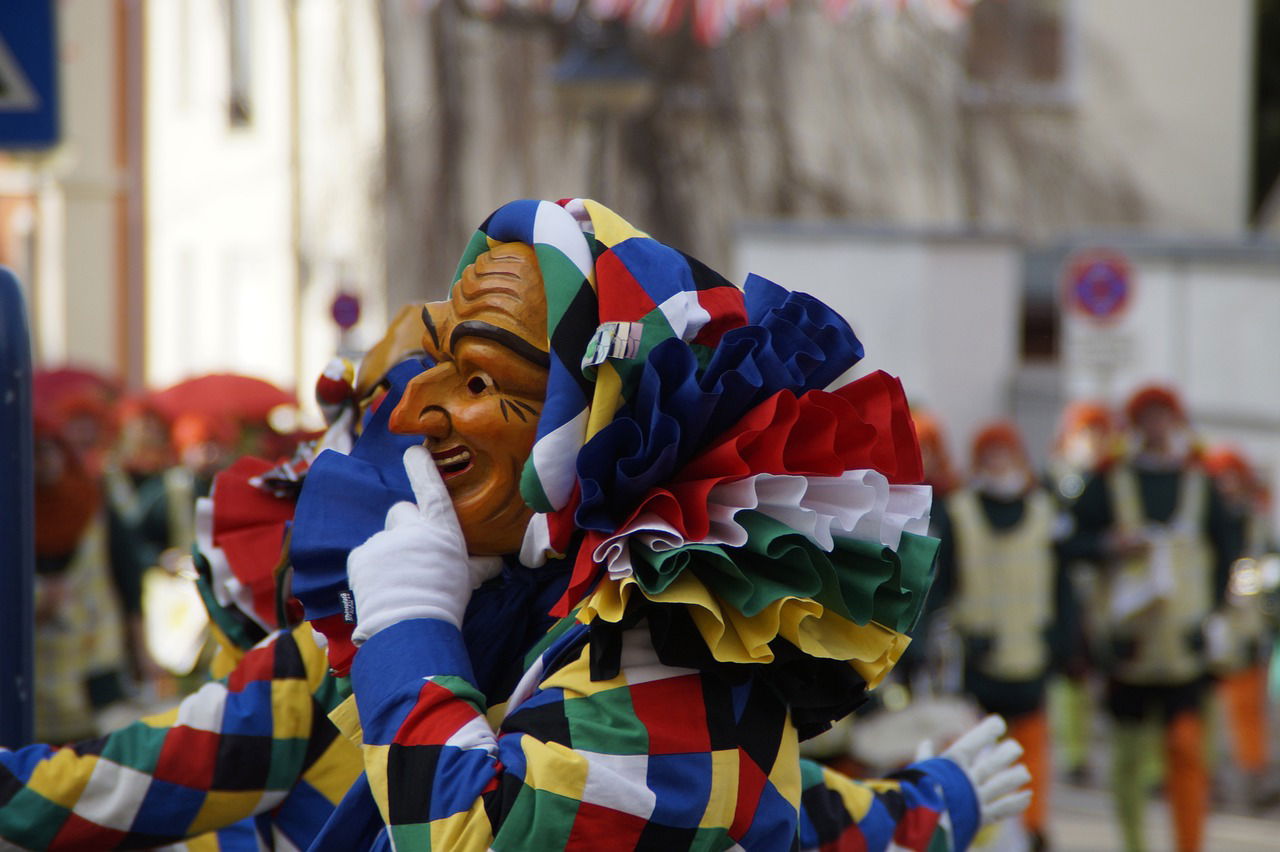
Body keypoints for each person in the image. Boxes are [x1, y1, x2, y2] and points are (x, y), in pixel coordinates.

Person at [304, 198, 1030, 850]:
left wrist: (409, 632)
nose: (408, 414)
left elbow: (484, 835)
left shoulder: (664, 650)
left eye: (477, 379)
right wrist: (922, 809)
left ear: (589, 414)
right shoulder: (549, 611)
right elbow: (776, 804)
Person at [1064, 385, 1242, 852]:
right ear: (1136, 424)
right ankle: (1134, 844)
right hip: (1130, 643)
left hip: (1184, 643)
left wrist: (1215, 615)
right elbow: (1068, 541)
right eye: (1149, 416)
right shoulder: (1110, 481)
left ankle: (1189, 842)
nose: (1158, 426)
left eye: (1165, 416)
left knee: (1187, 748)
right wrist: (1108, 545)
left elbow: (1227, 549)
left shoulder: (1199, 482)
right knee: (1127, 755)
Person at [933, 421, 1065, 850]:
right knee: (978, 757)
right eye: (988, 456)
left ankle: (1032, 831)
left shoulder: (1044, 510)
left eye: (1004, 454)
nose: (998, 464)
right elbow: (941, 583)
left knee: (1032, 756)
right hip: (977, 662)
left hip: (1031, 656)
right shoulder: (958, 511)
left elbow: (1061, 583)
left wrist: (1063, 642)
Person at [1046, 400, 1117, 786]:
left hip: (1101, 587)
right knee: (1071, 668)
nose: (1092, 441)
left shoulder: (1111, 481)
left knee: (1098, 666)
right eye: (1086, 432)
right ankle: (1074, 752)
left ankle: (1089, 747)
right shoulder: (1054, 478)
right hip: (1064, 587)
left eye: (1099, 433)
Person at [1202, 445, 1276, 808]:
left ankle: (1253, 777)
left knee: (1248, 708)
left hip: (1246, 627)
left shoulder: (1253, 522)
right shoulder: (1200, 518)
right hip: (1210, 622)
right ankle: (1207, 778)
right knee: (1206, 710)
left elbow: (1265, 565)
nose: (1228, 486)